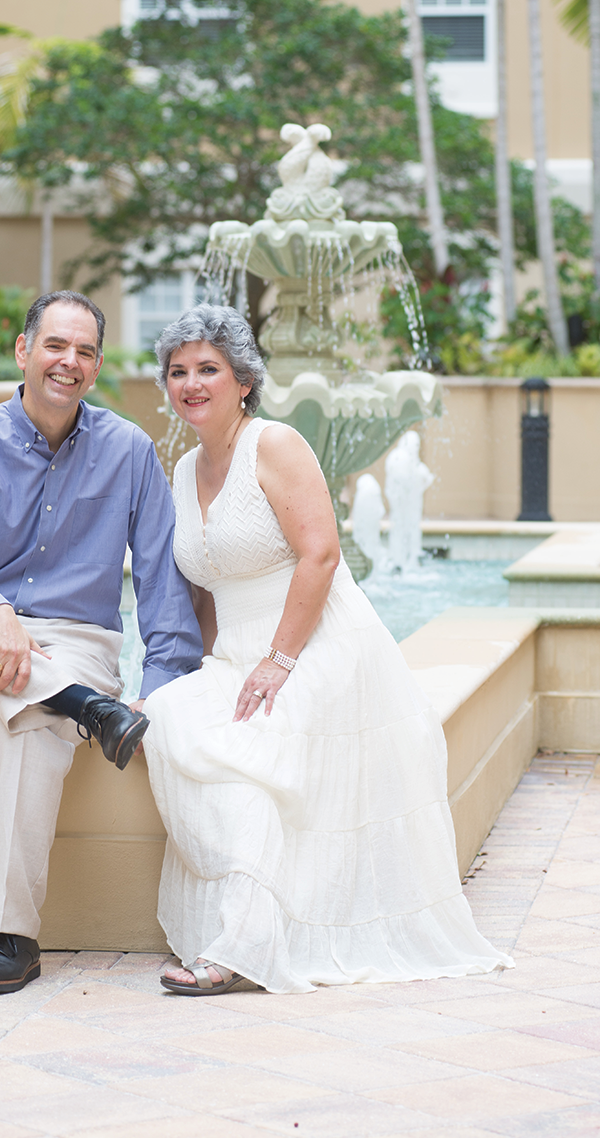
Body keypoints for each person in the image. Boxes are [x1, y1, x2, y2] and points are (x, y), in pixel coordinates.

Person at [142, 304, 513, 996]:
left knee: (253, 757)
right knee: (166, 716)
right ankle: (241, 924)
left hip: (319, 645)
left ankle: (243, 947)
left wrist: (280, 663)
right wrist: (186, 671)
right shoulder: (185, 466)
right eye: (178, 372)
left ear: (243, 381)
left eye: (208, 370)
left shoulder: (275, 445)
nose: (191, 383)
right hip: (238, 658)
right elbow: (204, 591)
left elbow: (320, 554)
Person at [0, 290, 202, 996]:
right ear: (25, 352)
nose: (70, 361)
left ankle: (10, 938)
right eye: (56, 345)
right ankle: (84, 706)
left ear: (96, 365)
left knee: (28, 722)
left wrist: (166, 687)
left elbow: (160, 583)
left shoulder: (129, 451)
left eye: (85, 351)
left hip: (73, 641)